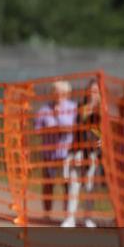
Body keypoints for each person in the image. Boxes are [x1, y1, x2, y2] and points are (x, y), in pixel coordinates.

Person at [34, 80, 77, 222]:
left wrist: (59, 117)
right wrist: (50, 129)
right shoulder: (44, 109)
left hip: (66, 154)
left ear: (67, 93)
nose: (58, 95)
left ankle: (67, 217)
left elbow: (72, 127)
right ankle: (47, 214)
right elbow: (37, 129)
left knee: (67, 185)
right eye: (55, 92)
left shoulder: (73, 107)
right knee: (47, 184)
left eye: (62, 92)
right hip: (49, 154)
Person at [62, 79, 101, 228]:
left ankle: (88, 218)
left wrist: (98, 137)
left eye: (96, 91)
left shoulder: (102, 110)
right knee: (74, 185)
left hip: (94, 154)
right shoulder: (79, 107)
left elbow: (102, 132)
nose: (93, 93)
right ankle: (70, 218)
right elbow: (77, 128)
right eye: (91, 90)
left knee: (91, 187)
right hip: (78, 151)